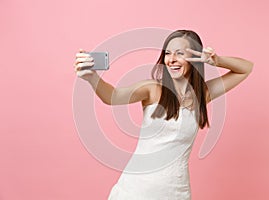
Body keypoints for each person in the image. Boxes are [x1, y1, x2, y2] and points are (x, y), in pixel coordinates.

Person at [73, 30, 253, 200]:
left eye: (180, 54)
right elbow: (112, 97)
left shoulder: (202, 95)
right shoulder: (152, 89)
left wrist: (216, 60)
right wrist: (92, 77)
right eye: (168, 53)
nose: (171, 60)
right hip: (135, 190)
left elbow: (245, 68)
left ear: (194, 58)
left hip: (175, 191)